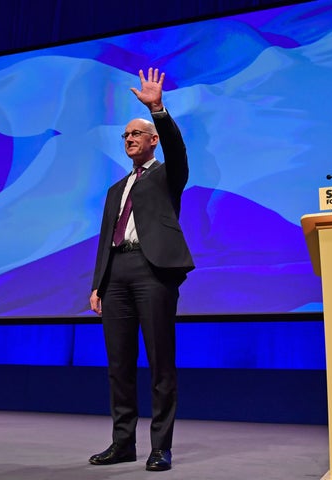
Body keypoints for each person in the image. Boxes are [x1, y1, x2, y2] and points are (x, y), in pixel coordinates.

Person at [88, 68, 195, 471]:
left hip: (154, 270)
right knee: (119, 364)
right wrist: (98, 283)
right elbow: (104, 239)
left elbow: (177, 150)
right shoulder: (116, 189)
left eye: (138, 134)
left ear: (152, 142)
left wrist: (157, 110)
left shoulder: (169, 175)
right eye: (126, 135)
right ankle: (122, 443)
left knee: (160, 361)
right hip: (117, 273)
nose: (130, 139)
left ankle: (160, 446)